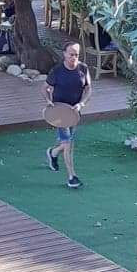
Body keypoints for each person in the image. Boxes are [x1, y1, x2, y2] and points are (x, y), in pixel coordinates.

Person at [45, 39, 91, 189]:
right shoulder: (57, 71)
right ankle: (72, 177)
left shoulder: (83, 69)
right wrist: (48, 101)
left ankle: (53, 153)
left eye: (76, 55)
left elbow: (88, 89)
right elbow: (45, 88)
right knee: (68, 144)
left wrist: (81, 103)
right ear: (64, 54)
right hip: (60, 113)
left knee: (67, 142)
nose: (74, 57)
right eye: (71, 54)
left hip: (74, 112)